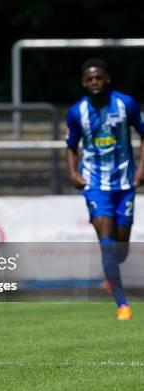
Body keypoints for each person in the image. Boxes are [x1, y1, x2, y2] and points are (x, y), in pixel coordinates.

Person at [66, 58, 144, 320]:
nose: (94, 82)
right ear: (83, 82)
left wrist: (142, 170)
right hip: (96, 185)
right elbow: (71, 145)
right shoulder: (78, 112)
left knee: (120, 249)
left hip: (124, 183)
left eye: (99, 77)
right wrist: (73, 172)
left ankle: (112, 274)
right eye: (89, 79)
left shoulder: (126, 104)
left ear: (107, 78)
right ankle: (122, 304)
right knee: (107, 242)